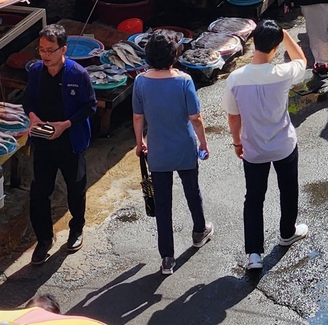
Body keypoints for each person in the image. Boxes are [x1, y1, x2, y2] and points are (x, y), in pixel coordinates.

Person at [224, 22, 311, 270]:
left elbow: (233, 116)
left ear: (253, 42)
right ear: (275, 48)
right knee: (288, 189)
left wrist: (237, 141)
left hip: (253, 148)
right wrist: (284, 35)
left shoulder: (236, 79)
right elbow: (301, 59)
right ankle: (287, 232)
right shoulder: (283, 74)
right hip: (283, 144)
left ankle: (253, 254)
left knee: (253, 198)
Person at [132, 31, 213, 276]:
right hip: (184, 147)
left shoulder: (140, 82)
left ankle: (167, 258)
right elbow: (195, 118)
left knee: (163, 204)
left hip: (158, 151)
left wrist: (140, 143)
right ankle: (199, 231)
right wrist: (203, 143)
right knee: (192, 191)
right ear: (174, 55)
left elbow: (138, 117)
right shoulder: (184, 81)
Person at [23, 24, 96, 266]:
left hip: (71, 142)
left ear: (63, 49)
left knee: (76, 189)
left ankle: (77, 229)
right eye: (41, 49)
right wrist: (33, 117)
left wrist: (65, 125)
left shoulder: (78, 74)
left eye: (50, 50)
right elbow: (28, 102)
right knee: (39, 193)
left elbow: (90, 107)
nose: (45, 55)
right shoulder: (35, 72)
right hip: (43, 142)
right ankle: (44, 239)